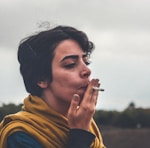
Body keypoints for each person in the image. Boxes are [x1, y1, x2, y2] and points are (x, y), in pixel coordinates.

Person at [0, 25, 105, 148]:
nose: (87, 70)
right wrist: (80, 135)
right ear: (41, 79)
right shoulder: (21, 134)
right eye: (70, 64)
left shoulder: (85, 123)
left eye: (86, 62)